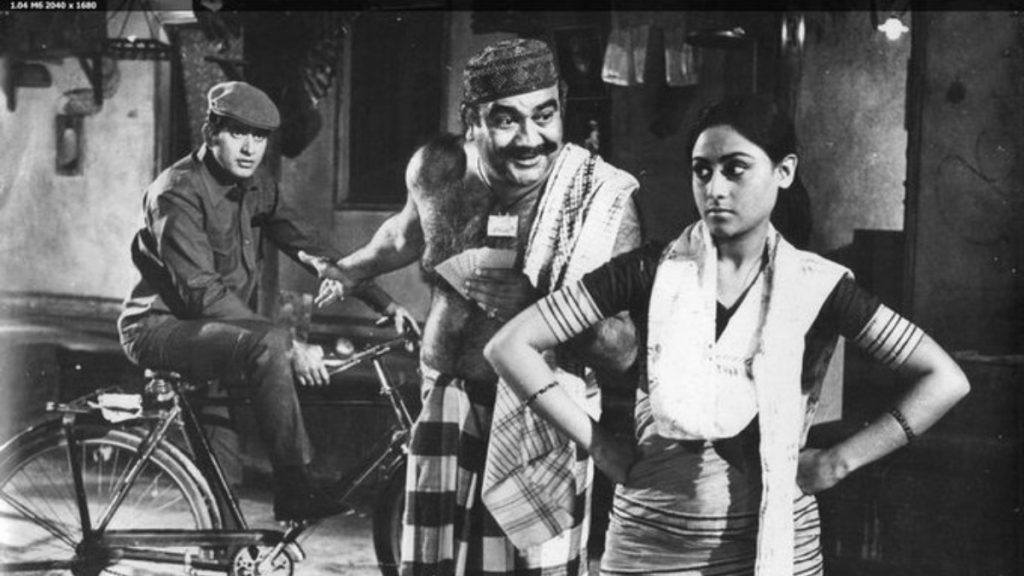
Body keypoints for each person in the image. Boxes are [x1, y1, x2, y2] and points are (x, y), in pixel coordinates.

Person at [484, 94, 970, 575]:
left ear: (784, 171)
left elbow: (945, 379)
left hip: (777, 544)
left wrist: (839, 462)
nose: (714, 188)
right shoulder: (651, 270)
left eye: (735, 169)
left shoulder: (818, 286)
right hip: (650, 543)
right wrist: (604, 448)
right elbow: (509, 346)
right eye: (702, 171)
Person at [302, 39, 642, 575]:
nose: (530, 139)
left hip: (543, 417)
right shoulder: (438, 170)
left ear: (562, 105)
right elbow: (404, 235)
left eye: (545, 115)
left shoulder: (600, 201)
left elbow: (622, 350)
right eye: (506, 120)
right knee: (434, 566)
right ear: (471, 120)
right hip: (445, 401)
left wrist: (540, 308)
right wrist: (350, 269)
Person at [117, 81, 411, 522]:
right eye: (238, 133)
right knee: (270, 341)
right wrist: (288, 345)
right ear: (211, 132)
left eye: (259, 137)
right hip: (159, 329)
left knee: (221, 488)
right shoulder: (176, 192)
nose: (250, 148)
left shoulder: (257, 187)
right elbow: (202, 293)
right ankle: (294, 488)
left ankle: (225, 546)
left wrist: (386, 304)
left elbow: (313, 247)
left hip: (220, 333)